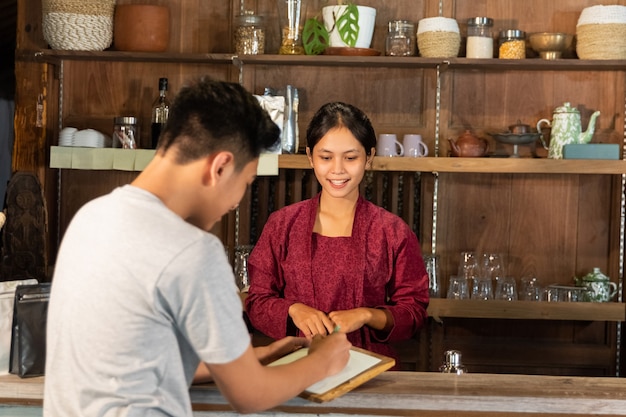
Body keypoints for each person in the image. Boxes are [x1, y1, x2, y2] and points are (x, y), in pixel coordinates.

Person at [44, 78, 351, 416]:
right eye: (246, 182)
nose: (236, 202)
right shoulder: (192, 250)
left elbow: (129, 364)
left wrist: (250, 359)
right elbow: (251, 396)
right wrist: (324, 360)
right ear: (219, 167)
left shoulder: (91, 217)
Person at [245, 102, 429, 362]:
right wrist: (293, 310)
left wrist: (366, 314)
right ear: (310, 157)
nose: (338, 169)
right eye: (326, 157)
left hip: (367, 371)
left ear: (370, 156)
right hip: (295, 369)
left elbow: (414, 312)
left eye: (351, 157)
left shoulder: (392, 231)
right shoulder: (282, 224)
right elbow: (257, 301)